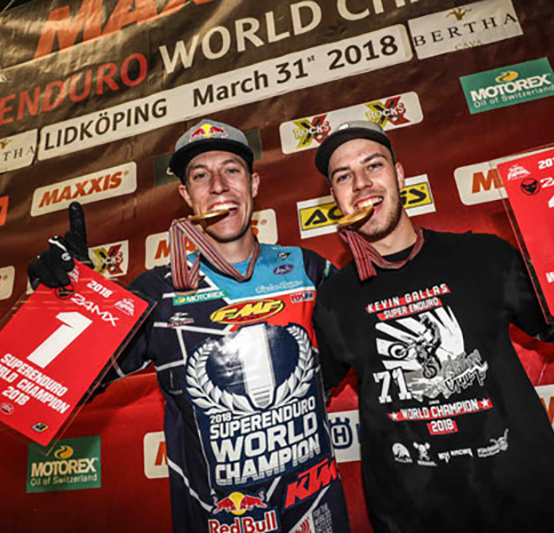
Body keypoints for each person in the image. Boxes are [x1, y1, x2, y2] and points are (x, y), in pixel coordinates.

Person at [310, 121, 554, 532]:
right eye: (343, 176)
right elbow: (309, 392)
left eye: (373, 165)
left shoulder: (482, 256)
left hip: (524, 504)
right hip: (412, 515)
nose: (361, 183)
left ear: (399, 175)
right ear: (336, 198)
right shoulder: (334, 298)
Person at [29, 119, 350, 533]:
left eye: (231, 170)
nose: (218, 186)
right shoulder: (156, 292)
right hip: (217, 522)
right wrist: (65, 301)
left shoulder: (308, 269)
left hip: (317, 514)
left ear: (253, 184)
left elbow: (360, 349)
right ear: (186, 195)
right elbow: (61, 383)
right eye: (200, 176)